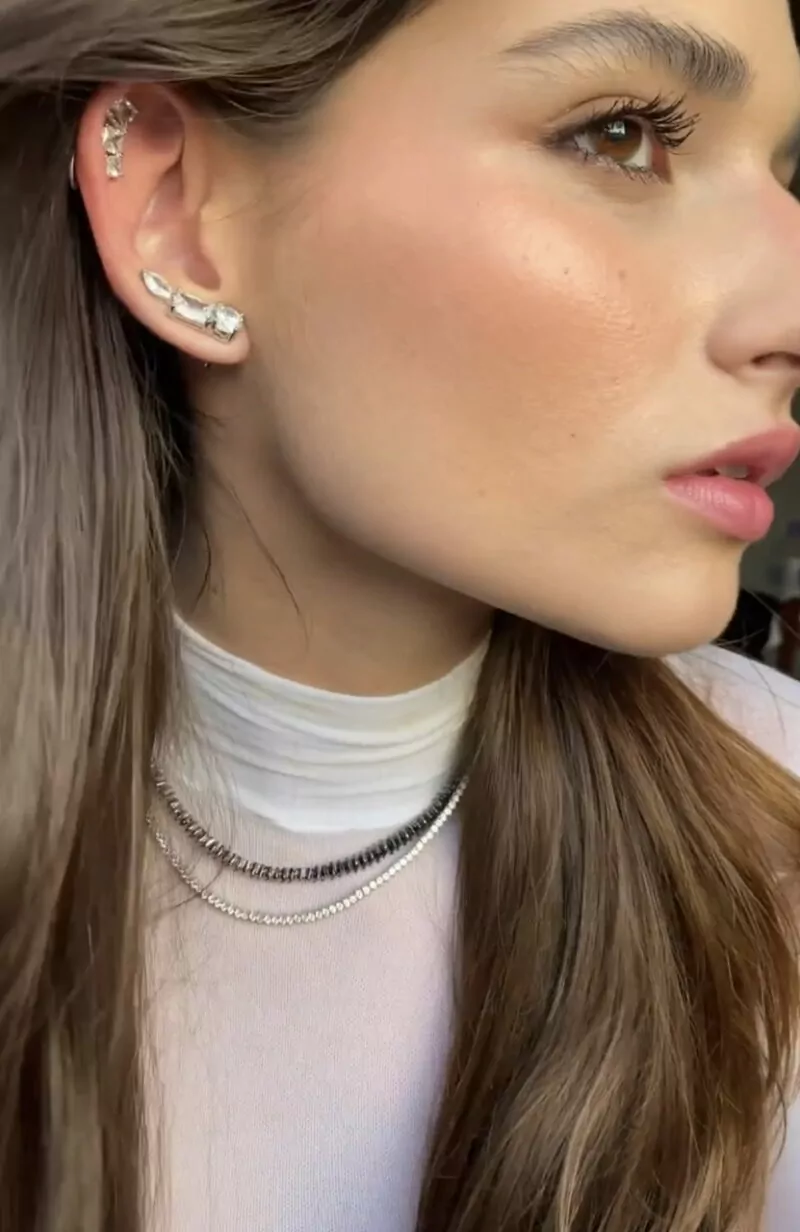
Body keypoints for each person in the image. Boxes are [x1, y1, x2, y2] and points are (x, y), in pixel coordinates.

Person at [4, 1, 800, 1230]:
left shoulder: (776, 827)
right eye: (620, 135)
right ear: (180, 217)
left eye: (782, 175)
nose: (785, 312)